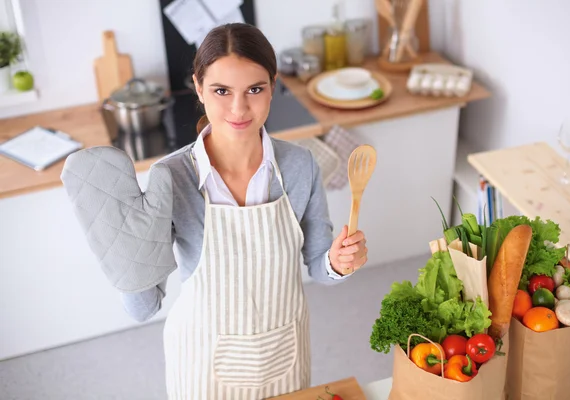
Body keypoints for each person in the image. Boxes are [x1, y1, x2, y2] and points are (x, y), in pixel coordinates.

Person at [62, 23, 368, 400]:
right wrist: (120, 244)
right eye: (222, 91)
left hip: (282, 353)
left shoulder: (300, 165)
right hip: (202, 358)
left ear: (273, 86)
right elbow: (143, 308)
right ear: (199, 87)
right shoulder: (171, 177)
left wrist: (339, 262)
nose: (239, 108)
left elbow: (320, 267)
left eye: (254, 89)